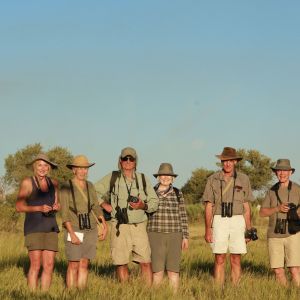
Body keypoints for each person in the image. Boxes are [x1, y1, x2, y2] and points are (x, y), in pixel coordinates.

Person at [95, 147, 159, 286]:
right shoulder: (113, 177)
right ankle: (126, 290)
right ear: (120, 161)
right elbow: (93, 191)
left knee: (146, 261)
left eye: (131, 159)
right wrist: (104, 204)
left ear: (136, 162)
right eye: (125, 158)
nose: (128, 161)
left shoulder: (142, 179)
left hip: (139, 225)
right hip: (119, 225)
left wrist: (143, 205)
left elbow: (154, 202)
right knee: (120, 262)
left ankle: (147, 293)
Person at [202, 147, 255, 285]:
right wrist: (208, 229)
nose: (228, 164)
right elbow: (208, 206)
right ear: (221, 161)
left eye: (231, 161)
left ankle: (235, 288)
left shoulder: (244, 179)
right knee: (219, 257)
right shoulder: (212, 179)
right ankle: (218, 289)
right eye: (225, 161)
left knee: (236, 257)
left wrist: (249, 229)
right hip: (219, 220)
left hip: (238, 220)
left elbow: (246, 206)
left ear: (236, 162)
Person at [60, 155, 108, 289]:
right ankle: (70, 293)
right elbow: (64, 214)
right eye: (79, 168)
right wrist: (72, 233)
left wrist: (104, 224)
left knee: (84, 263)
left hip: (90, 228)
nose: (83, 171)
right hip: (73, 227)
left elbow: (95, 206)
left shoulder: (90, 185)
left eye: (85, 168)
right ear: (73, 170)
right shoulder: (66, 186)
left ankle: (81, 292)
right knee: (73, 263)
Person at [16, 153, 60, 291]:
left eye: (45, 165)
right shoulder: (27, 182)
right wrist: (39, 208)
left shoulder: (54, 183)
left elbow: (57, 204)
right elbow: (19, 207)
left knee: (49, 265)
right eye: (39, 165)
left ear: (49, 168)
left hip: (51, 227)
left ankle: (44, 294)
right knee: (35, 264)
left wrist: (57, 206)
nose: (42, 168)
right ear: (34, 166)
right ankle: (32, 295)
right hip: (34, 228)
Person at [147, 163, 189, 292]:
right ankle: (156, 296)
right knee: (157, 271)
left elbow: (183, 214)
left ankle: (174, 296)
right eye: (163, 175)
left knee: (173, 271)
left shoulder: (177, 193)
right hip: (155, 234)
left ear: (173, 178)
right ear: (158, 177)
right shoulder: (150, 192)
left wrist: (185, 236)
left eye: (168, 175)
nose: (165, 177)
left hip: (175, 235)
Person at [259, 159, 300, 286]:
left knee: (294, 269)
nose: (282, 173)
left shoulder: (297, 189)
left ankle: (296, 294)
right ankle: (284, 293)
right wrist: (277, 208)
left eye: (285, 171)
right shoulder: (271, 191)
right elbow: (262, 212)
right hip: (274, 234)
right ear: (276, 173)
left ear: (290, 172)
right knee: (278, 270)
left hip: (293, 233)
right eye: (279, 170)